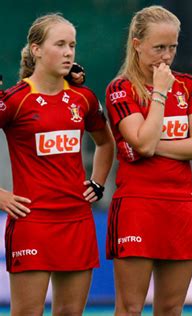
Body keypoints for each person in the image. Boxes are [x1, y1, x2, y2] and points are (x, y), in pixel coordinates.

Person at [0, 13, 114, 315]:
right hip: (32, 223)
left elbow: (105, 143)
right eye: (60, 44)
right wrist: (0, 195)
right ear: (36, 49)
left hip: (77, 222)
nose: (68, 52)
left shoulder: (83, 98)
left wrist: (98, 182)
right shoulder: (15, 100)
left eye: (72, 45)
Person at [104, 5, 192, 315]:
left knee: (171, 308)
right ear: (137, 44)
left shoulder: (190, 85)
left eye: (172, 47)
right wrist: (160, 94)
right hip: (138, 207)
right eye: (158, 47)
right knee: (131, 307)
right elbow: (144, 141)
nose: (166, 56)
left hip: (180, 208)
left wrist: (148, 145)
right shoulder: (121, 89)